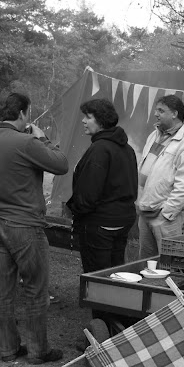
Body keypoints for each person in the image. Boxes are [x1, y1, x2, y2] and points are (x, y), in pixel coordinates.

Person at [0, 92, 69, 364]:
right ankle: (38, 351)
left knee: (3, 288)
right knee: (35, 288)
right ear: (24, 114)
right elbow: (61, 164)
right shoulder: (27, 142)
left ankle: (8, 349)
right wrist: (42, 138)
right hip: (25, 225)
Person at [66, 99, 138, 273]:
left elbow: (88, 194)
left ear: (101, 120)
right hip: (122, 220)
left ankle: (98, 300)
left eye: (88, 117)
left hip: (99, 224)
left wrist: (75, 209)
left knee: (97, 275)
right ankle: (113, 300)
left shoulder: (99, 150)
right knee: (115, 272)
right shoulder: (127, 149)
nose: (83, 120)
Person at [137, 94, 184, 258]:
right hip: (146, 210)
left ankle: (170, 285)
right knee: (146, 263)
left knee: (169, 263)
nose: (155, 113)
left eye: (161, 110)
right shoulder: (154, 135)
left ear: (174, 113)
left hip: (165, 216)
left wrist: (166, 213)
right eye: (156, 109)